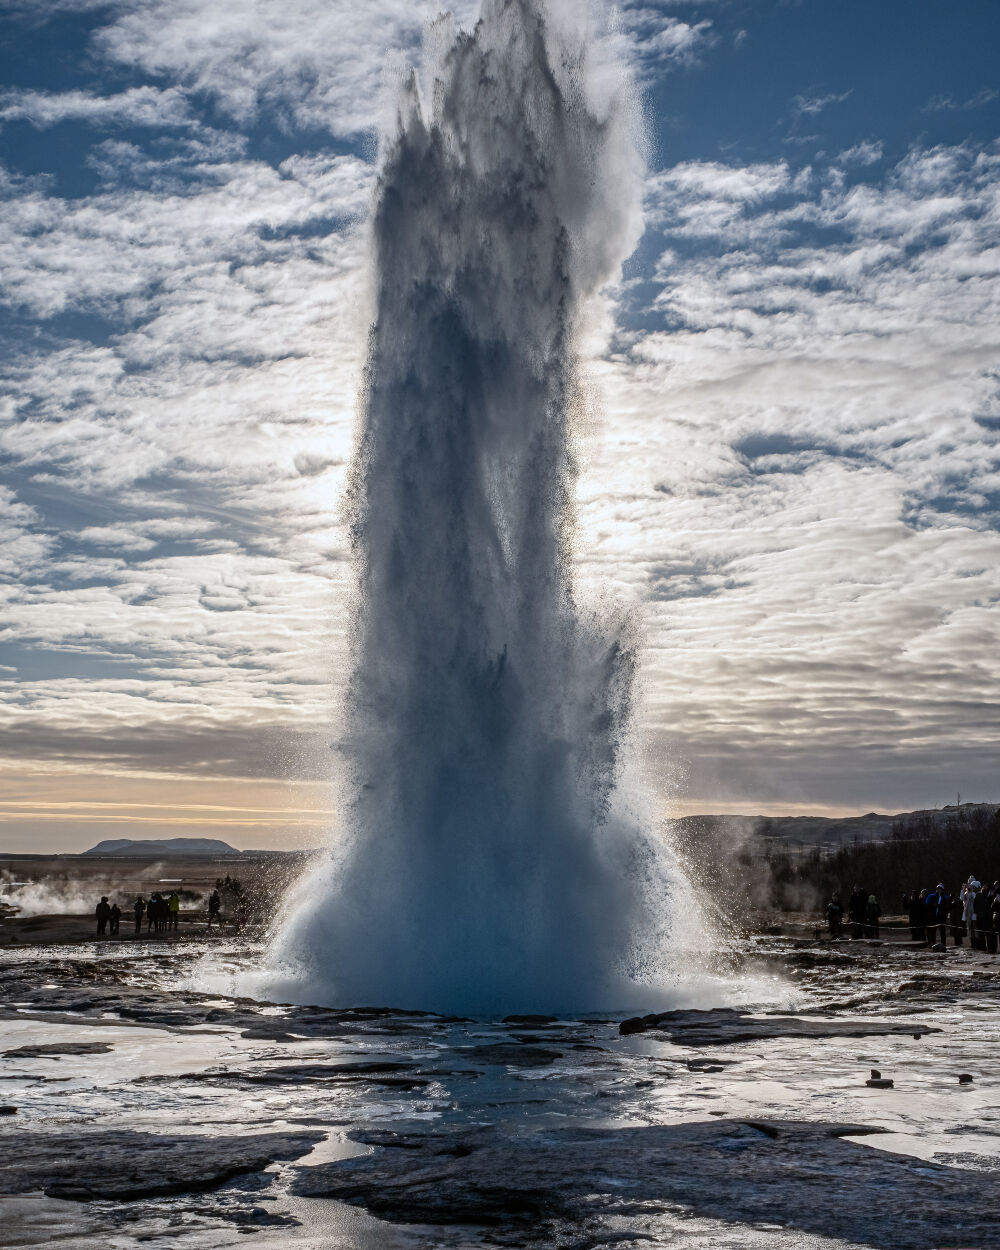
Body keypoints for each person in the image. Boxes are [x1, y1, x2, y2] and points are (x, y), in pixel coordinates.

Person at [961, 879, 980, 949]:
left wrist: (971, 892)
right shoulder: (967, 893)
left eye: (972, 886)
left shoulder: (974, 893)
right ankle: (973, 943)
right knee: (970, 928)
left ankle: (977, 943)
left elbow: (975, 899)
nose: (970, 887)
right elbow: (962, 898)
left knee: (974, 927)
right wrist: (963, 889)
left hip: (973, 913)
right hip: (968, 912)